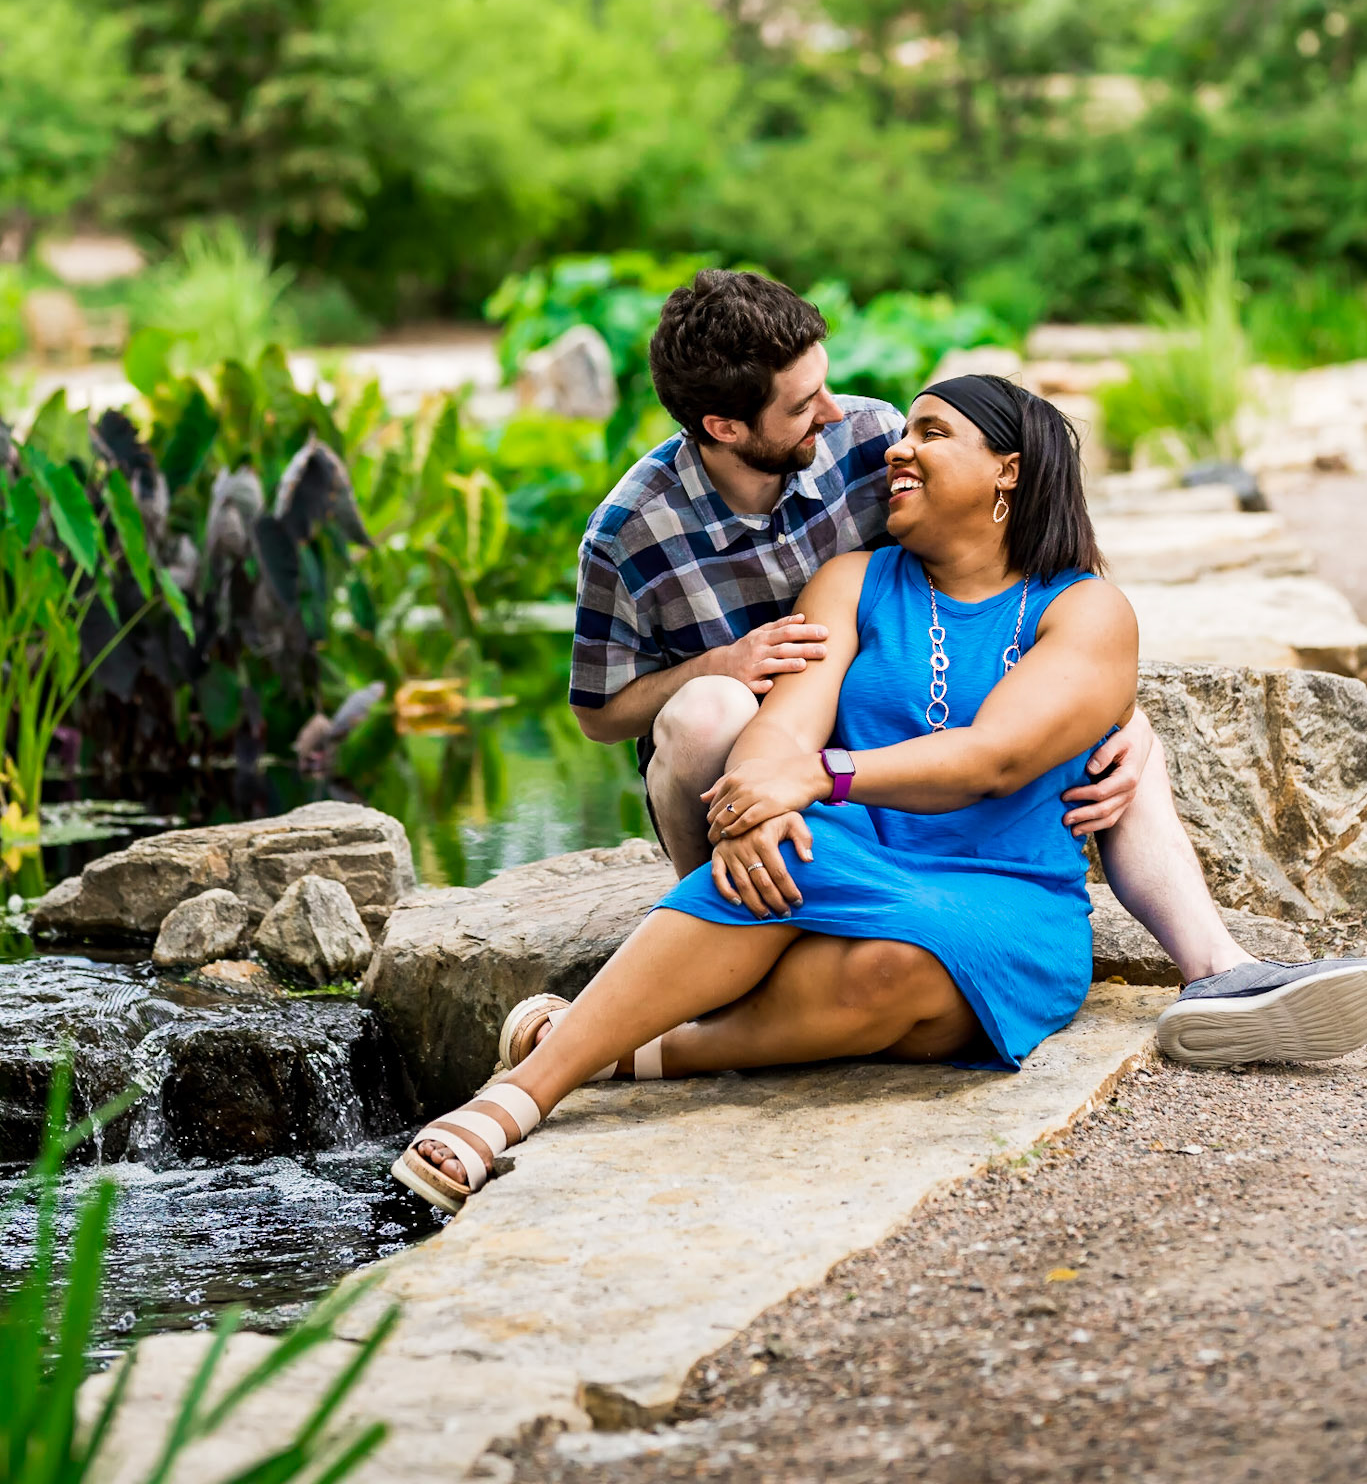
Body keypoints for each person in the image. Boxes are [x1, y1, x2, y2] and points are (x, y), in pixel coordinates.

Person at [393, 372, 1367, 1212]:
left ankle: (631, 1047)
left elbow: (993, 757)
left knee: (894, 973)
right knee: (779, 857)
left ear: (1008, 470)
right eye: (901, 430)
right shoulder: (852, 580)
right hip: (848, 852)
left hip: (1003, 893)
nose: (896, 448)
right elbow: (787, 718)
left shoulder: (1084, 608)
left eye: (931, 433)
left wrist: (816, 774)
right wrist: (759, 794)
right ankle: (519, 1096)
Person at [567, 271, 1367, 1070]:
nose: (837, 412)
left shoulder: (865, 439)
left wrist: (1113, 708)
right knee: (709, 709)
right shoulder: (628, 531)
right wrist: (723, 666)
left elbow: (1001, 555)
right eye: (803, 403)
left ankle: (1217, 969)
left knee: (1124, 741)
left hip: (856, 737)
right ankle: (726, 926)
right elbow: (598, 714)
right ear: (724, 426)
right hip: (764, 756)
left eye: (825, 386)